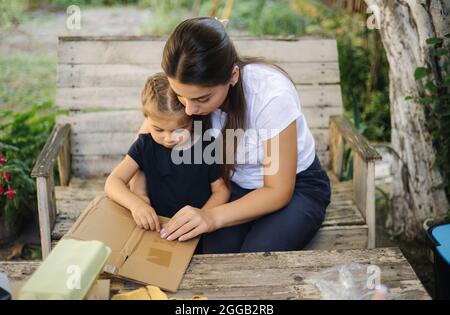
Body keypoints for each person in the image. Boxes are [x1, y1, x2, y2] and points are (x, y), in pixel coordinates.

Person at [131, 17, 331, 253]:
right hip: (233, 186)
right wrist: (139, 197)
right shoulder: (185, 84)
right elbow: (146, 138)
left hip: (296, 187)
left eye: (202, 99)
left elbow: (277, 191)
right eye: (180, 96)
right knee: (213, 256)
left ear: (233, 76)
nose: (189, 109)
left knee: (257, 256)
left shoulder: (271, 96)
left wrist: (211, 217)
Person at [104, 72, 230, 233]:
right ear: (146, 118)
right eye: (158, 129)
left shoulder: (206, 145)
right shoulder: (145, 145)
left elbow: (221, 190)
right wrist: (137, 205)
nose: (169, 138)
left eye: (179, 129)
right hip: (157, 228)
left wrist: (203, 215)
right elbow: (113, 182)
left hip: (196, 230)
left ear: (192, 118)